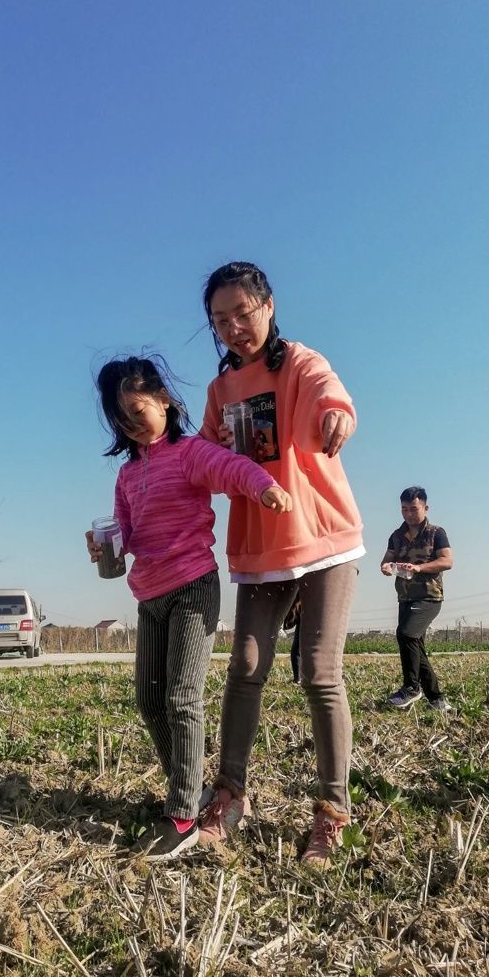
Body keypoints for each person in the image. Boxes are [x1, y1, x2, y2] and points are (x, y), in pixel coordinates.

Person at [85, 355, 292, 862]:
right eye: (120, 417)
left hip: (193, 587)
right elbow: (126, 528)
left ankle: (181, 817)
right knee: (150, 702)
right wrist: (105, 544)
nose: (131, 423)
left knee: (182, 699)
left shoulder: (189, 452)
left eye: (138, 409)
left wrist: (263, 487)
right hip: (149, 594)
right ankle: (190, 782)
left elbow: (231, 466)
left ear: (164, 401)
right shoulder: (128, 473)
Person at [197, 261, 364, 867]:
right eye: (221, 320)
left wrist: (335, 415)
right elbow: (210, 459)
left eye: (243, 312)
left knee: (320, 672)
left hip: (323, 535)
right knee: (245, 666)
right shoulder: (219, 393)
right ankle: (230, 795)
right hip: (261, 544)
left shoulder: (299, 362)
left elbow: (328, 393)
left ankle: (331, 812)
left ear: (268, 305)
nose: (235, 327)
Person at [381, 487, 453, 711]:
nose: (408, 514)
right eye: (404, 509)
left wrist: (419, 567)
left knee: (406, 634)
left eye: (413, 509)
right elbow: (388, 559)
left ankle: (411, 688)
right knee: (414, 644)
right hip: (405, 597)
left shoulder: (436, 532)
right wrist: (386, 566)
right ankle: (437, 699)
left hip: (429, 596)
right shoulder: (396, 535)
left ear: (425, 507)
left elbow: (447, 561)